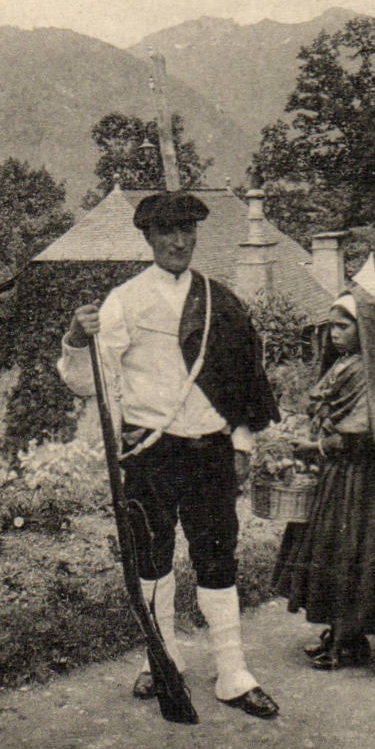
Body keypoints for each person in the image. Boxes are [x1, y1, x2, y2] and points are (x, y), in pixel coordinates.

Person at [60, 190, 280, 719]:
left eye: (187, 231)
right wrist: (73, 339)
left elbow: (248, 381)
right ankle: (161, 660)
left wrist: (243, 443)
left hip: (210, 453)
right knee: (153, 562)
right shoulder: (125, 301)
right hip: (151, 455)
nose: (179, 242)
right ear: (149, 238)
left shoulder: (221, 300)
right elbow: (86, 382)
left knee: (217, 559)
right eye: (167, 232)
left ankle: (233, 673)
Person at [270, 291, 375, 670]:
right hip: (337, 476)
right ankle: (339, 631)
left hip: (361, 479)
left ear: (363, 330)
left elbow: (361, 432)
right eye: (332, 325)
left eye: (343, 325)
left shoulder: (368, 371)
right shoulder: (342, 364)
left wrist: (317, 445)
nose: (334, 333)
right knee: (328, 551)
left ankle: (349, 639)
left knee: (353, 552)